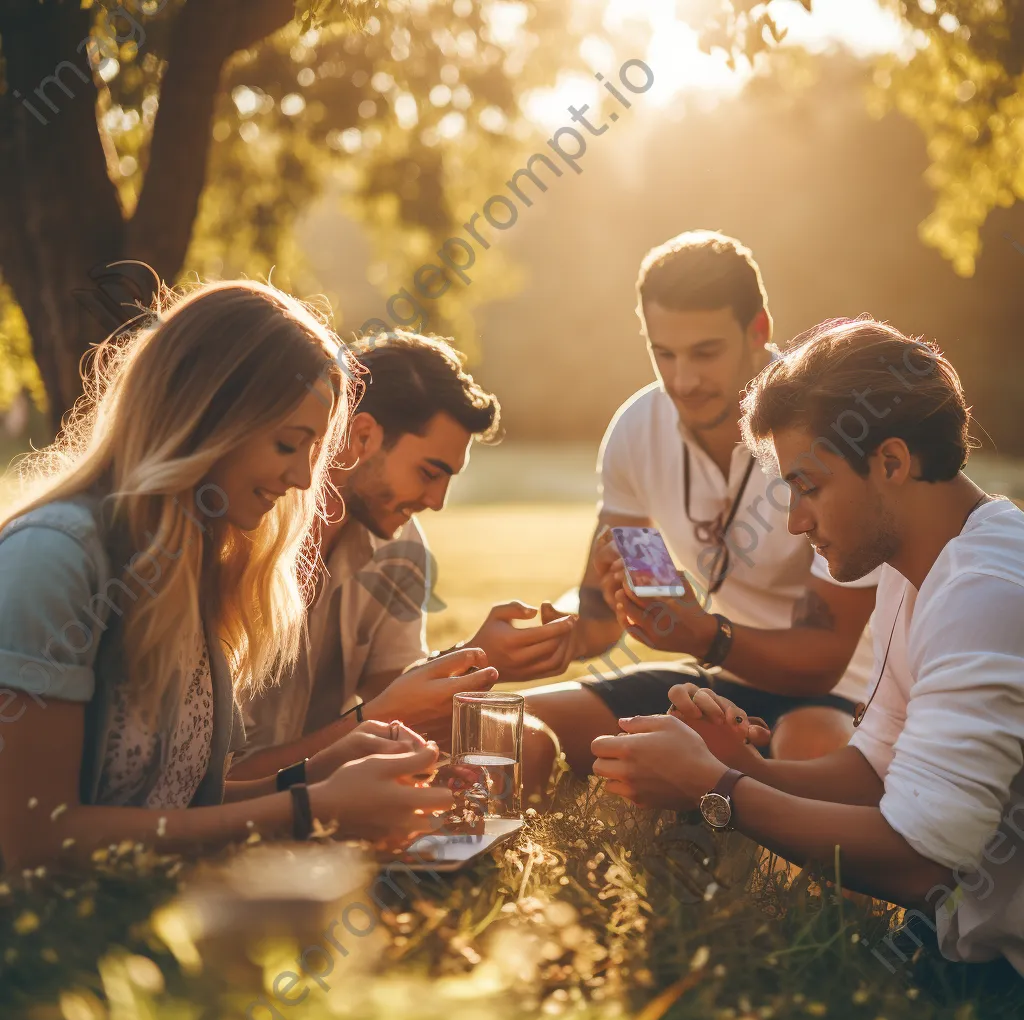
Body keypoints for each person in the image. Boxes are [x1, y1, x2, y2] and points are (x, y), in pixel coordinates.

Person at [592, 318, 1024, 974]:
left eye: (808, 487)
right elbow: (875, 772)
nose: (796, 521)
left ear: (891, 462)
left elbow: (921, 864)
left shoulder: (982, 590)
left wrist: (717, 787)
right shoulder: (920, 568)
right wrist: (745, 764)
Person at [0, 281, 456, 872]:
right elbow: (32, 841)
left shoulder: (198, 567)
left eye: (313, 451)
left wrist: (328, 767)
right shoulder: (57, 559)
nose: (301, 479)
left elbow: (185, 808)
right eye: (289, 444)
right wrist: (308, 809)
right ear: (207, 421)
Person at [524, 231, 877, 772]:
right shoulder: (637, 429)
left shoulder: (827, 429)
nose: (683, 381)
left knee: (808, 754)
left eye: (705, 353)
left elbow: (822, 659)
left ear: (758, 330)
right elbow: (601, 611)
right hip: (715, 685)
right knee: (512, 727)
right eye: (663, 354)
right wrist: (557, 631)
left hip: (839, 695)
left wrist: (704, 635)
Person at [233, 331, 572, 787]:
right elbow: (205, 776)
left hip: (341, 759)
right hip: (236, 784)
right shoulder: (247, 528)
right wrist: (372, 726)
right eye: (429, 473)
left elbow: (395, 691)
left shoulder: (401, 545)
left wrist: (479, 659)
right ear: (363, 436)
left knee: (529, 745)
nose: (437, 501)